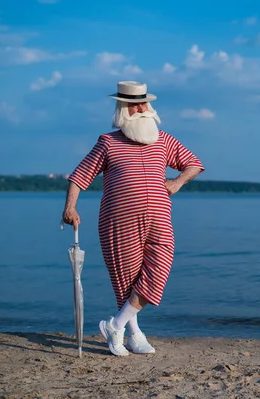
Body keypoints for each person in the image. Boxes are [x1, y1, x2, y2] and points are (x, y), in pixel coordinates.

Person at [62, 81, 204, 356]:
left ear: (149, 106)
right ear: (122, 110)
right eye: (133, 105)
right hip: (118, 221)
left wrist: (176, 183)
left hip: (159, 220)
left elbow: (194, 163)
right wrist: (70, 208)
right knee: (126, 279)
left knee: (159, 269)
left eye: (143, 104)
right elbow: (79, 177)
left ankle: (115, 325)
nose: (140, 109)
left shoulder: (164, 140)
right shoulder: (108, 141)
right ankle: (134, 334)